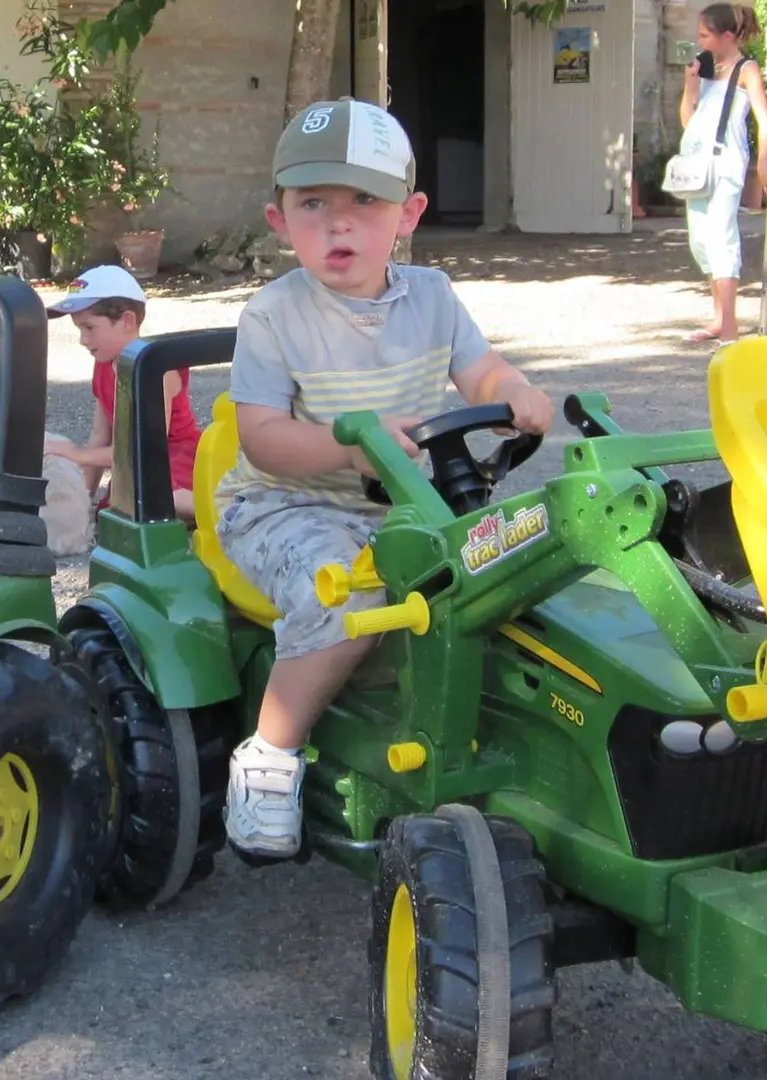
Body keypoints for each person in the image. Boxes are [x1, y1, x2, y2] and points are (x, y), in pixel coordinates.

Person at [215, 99, 553, 859]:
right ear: (279, 221)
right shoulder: (273, 315)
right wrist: (353, 451)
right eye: (314, 205)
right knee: (353, 589)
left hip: (402, 504)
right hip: (283, 504)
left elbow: (480, 369)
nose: (339, 225)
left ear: (409, 213)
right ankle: (271, 754)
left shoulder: (431, 296)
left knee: (518, 562)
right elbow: (263, 440)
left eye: (364, 201)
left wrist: (515, 391)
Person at [41, 264, 201, 523]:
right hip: (133, 461)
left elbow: (146, 446)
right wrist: (86, 498)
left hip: (172, 459)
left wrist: (76, 454)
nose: (82, 339)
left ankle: (226, 513)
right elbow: (99, 436)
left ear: (127, 321)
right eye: (79, 329)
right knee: (114, 511)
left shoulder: (156, 368)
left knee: (149, 497)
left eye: (89, 328)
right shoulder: (103, 364)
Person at [677, 3, 767, 346]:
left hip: (727, 162)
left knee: (722, 239)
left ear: (725, 35)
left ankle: (731, 325)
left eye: (705, 35)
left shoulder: (746, 69)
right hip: (697, 163)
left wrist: (764, 165)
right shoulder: (705, 68)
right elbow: (688, 123)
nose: (699, 40)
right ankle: (719, 318)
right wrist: (691, 88)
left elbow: (765, 120)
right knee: (700, 241)